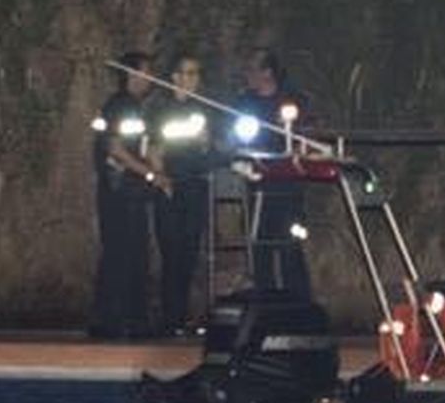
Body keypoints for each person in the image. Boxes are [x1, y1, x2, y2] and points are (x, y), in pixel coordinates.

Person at [90, 51, 167, 339]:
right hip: (119, 192)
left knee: (134, 253)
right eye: (146, 72)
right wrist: (150, 174)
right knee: (121, 253)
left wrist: (156, 170)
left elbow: (143, 147)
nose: (151, 78)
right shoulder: (120, 105)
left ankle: (128, 318)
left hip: (132, 193)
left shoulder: (136, 107)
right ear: (132, 74)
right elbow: (115, 148)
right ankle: (114, 320)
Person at [229, 48, 312, 298]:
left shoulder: (292, 100)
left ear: (267, 72)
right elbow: (234, 139)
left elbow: (306, 135)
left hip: (288, 187)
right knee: (259, 245)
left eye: (252, 69)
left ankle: (297, 301)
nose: (248, 75)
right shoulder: (244, 103)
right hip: (257, 186)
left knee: (290, 244)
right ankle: (264, 299)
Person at [148, 54, 213, 334]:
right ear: (174, 77)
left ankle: (182, 315)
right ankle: (169, 318)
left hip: (195, 186)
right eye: (187, 73)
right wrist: (160, 177)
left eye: (196, 73)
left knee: (189, 253)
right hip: (171, 187)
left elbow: (205, 147)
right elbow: (154, 148)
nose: (192, 79)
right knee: (172, 252)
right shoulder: (162, 110)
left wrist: (205, 142)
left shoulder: (201, 110)